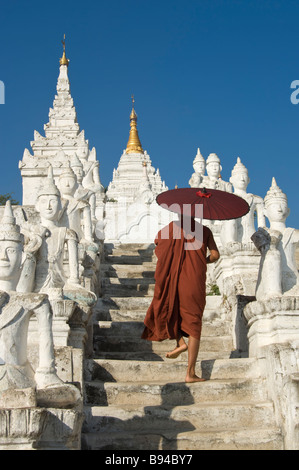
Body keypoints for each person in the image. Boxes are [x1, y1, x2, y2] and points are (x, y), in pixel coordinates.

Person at [141, 215, 220, 383]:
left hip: (176, 279)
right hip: (195, 281)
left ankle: (180, 342)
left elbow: (158, 244)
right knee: (194, 324)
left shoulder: (173, 229)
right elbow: (215, 255)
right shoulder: (204, 231)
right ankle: (190, 372)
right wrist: (201, 262)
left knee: (172, 308)